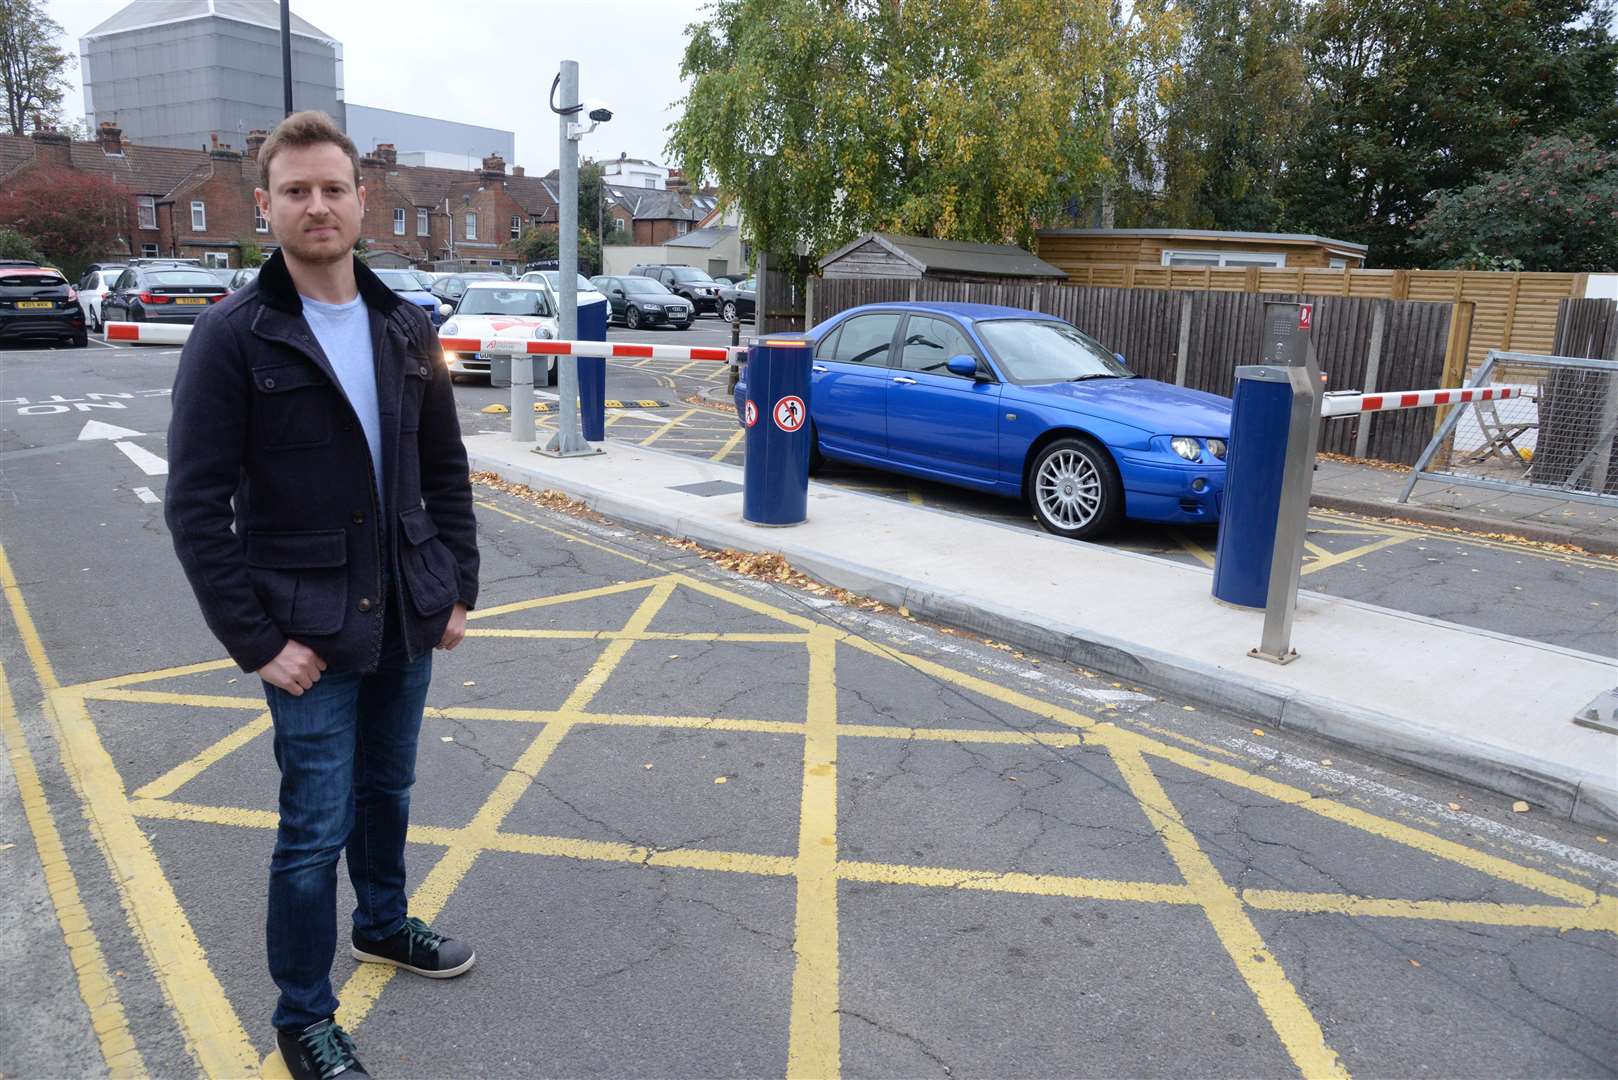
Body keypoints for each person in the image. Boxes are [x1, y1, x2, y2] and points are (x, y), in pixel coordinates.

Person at [165, 110, 480, 1080]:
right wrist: (256, 642)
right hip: (305, 632)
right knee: (311, 829)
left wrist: (455, 586)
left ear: (360, 200)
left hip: (406, 614)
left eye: (331, 188)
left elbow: (444, 469)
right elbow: (194, 506)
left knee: (388, 791)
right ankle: (303, 1015)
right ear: (265, 206)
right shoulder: (232, 338)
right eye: (295, 191)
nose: (316, 205)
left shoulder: (403, 325)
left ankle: (381, 923)